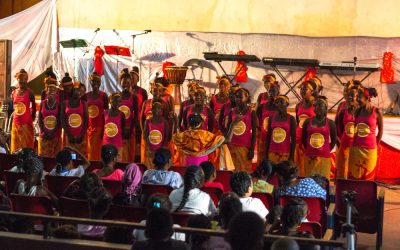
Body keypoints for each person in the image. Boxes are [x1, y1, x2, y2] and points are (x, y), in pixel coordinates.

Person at [348, 87, 383, 180]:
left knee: (368, 177)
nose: (357, 99)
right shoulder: (357, 111)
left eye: (360, 97)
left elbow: (380, 130)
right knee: (354, 176)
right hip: (356, 148)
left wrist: (376, 143)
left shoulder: (377, 112)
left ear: (367, 98)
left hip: (370, 149)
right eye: (357, 97)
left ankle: (365, 194)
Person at [302, 96, 337, 179]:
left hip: (324, 158)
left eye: (320, 105)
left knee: (323, 181)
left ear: (325, 109)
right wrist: (310, 149)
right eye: (316, 105)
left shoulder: (330, 123)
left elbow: (334, 140)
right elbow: (304, 139)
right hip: (310, 156)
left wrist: (326, 150)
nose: (317, 107)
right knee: (309, 181)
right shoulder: (307, 121)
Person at [226, 87, 257, 172]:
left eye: (240, 97)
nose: (237, 99)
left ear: (246, 98)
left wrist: (252, 150)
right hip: (232, 146)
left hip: (245, 147)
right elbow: (228, 129)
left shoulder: (251, 112)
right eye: (236, 96)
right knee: (231, 172)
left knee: (244, 172)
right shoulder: (231, 112)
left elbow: (254, 133)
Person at [335, 83, 360, 179]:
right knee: (342, 166)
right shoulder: (342, 108)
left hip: (356, 145)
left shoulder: (361, 110)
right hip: (344, 143)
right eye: (349, 94)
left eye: (353, 95)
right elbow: (338, 126)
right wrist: (340, 140)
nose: (350, 97)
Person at [294, 80, 317, 176]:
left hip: (309, 139)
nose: (302, 91)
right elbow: (297, 122)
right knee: (298, 166)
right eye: (301, 89)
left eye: (305, 89)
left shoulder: (316, 105)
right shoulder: (298, 105)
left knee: (309, 165)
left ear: (312, 91)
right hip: (298, 139)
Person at [84, 72, 108, 161]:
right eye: (93, 82)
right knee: (89, 150)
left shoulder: (104, 96)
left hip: (100, 127)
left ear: (100, 83)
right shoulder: (86, 96)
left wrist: (104, 129)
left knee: (98, 151)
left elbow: (106, 113)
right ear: (90, 83)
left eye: (97, 82)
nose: (95, 84)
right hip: (89, 127)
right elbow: (84, 113)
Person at [61, 81, 89, 156]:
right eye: (79, 90)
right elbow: (62, 120)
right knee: (71, 156)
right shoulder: (65, 103)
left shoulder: (84, 103)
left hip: (81, 136)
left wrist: (82, 135)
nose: (80, 93)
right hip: (69, 135)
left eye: (83, 92)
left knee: (80, 156)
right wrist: (69, 135)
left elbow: (86, 121)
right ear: (74, 89)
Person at [265, 95, 296, 163]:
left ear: (287, 104)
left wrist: (291, 156)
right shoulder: (271, 118)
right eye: (277, 102)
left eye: (281, 102)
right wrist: (265, 154)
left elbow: (293, 139)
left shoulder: (291, 119)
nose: (279, 104)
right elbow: (268, 136)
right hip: (272, 152)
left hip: (285, 153)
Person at [10, 69, 36, 152]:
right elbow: (13, 108)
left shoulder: (30, 92)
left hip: (26, 124)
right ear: (17, 80)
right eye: (21, 79)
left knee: (26, 148)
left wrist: (30, 119)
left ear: (27, 80)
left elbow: (34, 109)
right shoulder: (13, 93)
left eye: (25, 79)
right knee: (15, 148)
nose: (23, 81)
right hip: (16, 124)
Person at [256, 78, 279, 164]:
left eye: (274, 92)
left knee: (272, 157)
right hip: (264, 135)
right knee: (262, 157)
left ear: (277, 93)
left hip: (275, 136)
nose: (271, 94)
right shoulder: (262, 106)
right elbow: (257, 118)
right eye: (270, 91)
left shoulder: (279, 107)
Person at [118, 68, 138, 163]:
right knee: (120, 154)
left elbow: (136, 115)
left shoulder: (134, 97)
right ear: (120, 83)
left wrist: (130, 130)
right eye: (123, 82)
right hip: (119, 130)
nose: (125, 84)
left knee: (130, 155)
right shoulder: (116, 96)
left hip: (130, 130)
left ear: (131, 83)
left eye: (128, 82)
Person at [38, 79, 62, 157]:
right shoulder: (42, 103)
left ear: (56, 93)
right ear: (46, 92)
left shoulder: (59, 104)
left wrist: (53, 132)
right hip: (44, 135)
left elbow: (59, 120)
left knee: (55, 158)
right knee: (43, 157)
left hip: (55, 135)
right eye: (49, 90)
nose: (51, 91)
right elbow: (39, 119)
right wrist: (42, 131)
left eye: (53, 90)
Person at [143, 101, 170, 168]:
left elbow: (167, 136)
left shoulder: (164, 121)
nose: (157, 110)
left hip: (160, 149)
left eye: (159, 108)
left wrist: (162, 148)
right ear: (152, 110)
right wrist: (149, 148)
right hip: (150, 149)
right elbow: (145, 135)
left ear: (161, 110)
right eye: (155, 108)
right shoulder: (148, 121)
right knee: (150, 166)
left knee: (159, 166)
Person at [130, 66, 148, 162]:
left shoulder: (143, 92)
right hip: (129, 121)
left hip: (138, 120)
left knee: (138, 141)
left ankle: (138, 160)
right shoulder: (126, 91)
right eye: (130, 77)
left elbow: (145, 108)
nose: (132, 79)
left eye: (134, 77)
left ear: (138, 79)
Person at [103, 93, 125, 159]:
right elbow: (103, 127)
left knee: (117, 161)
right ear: (110, 101)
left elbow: (123, 128)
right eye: (115, 101)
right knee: (106, 160)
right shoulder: (105, 113)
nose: (116, 103)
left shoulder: (122, 114)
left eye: (119, 101)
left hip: (117, 142)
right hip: (106, 142)